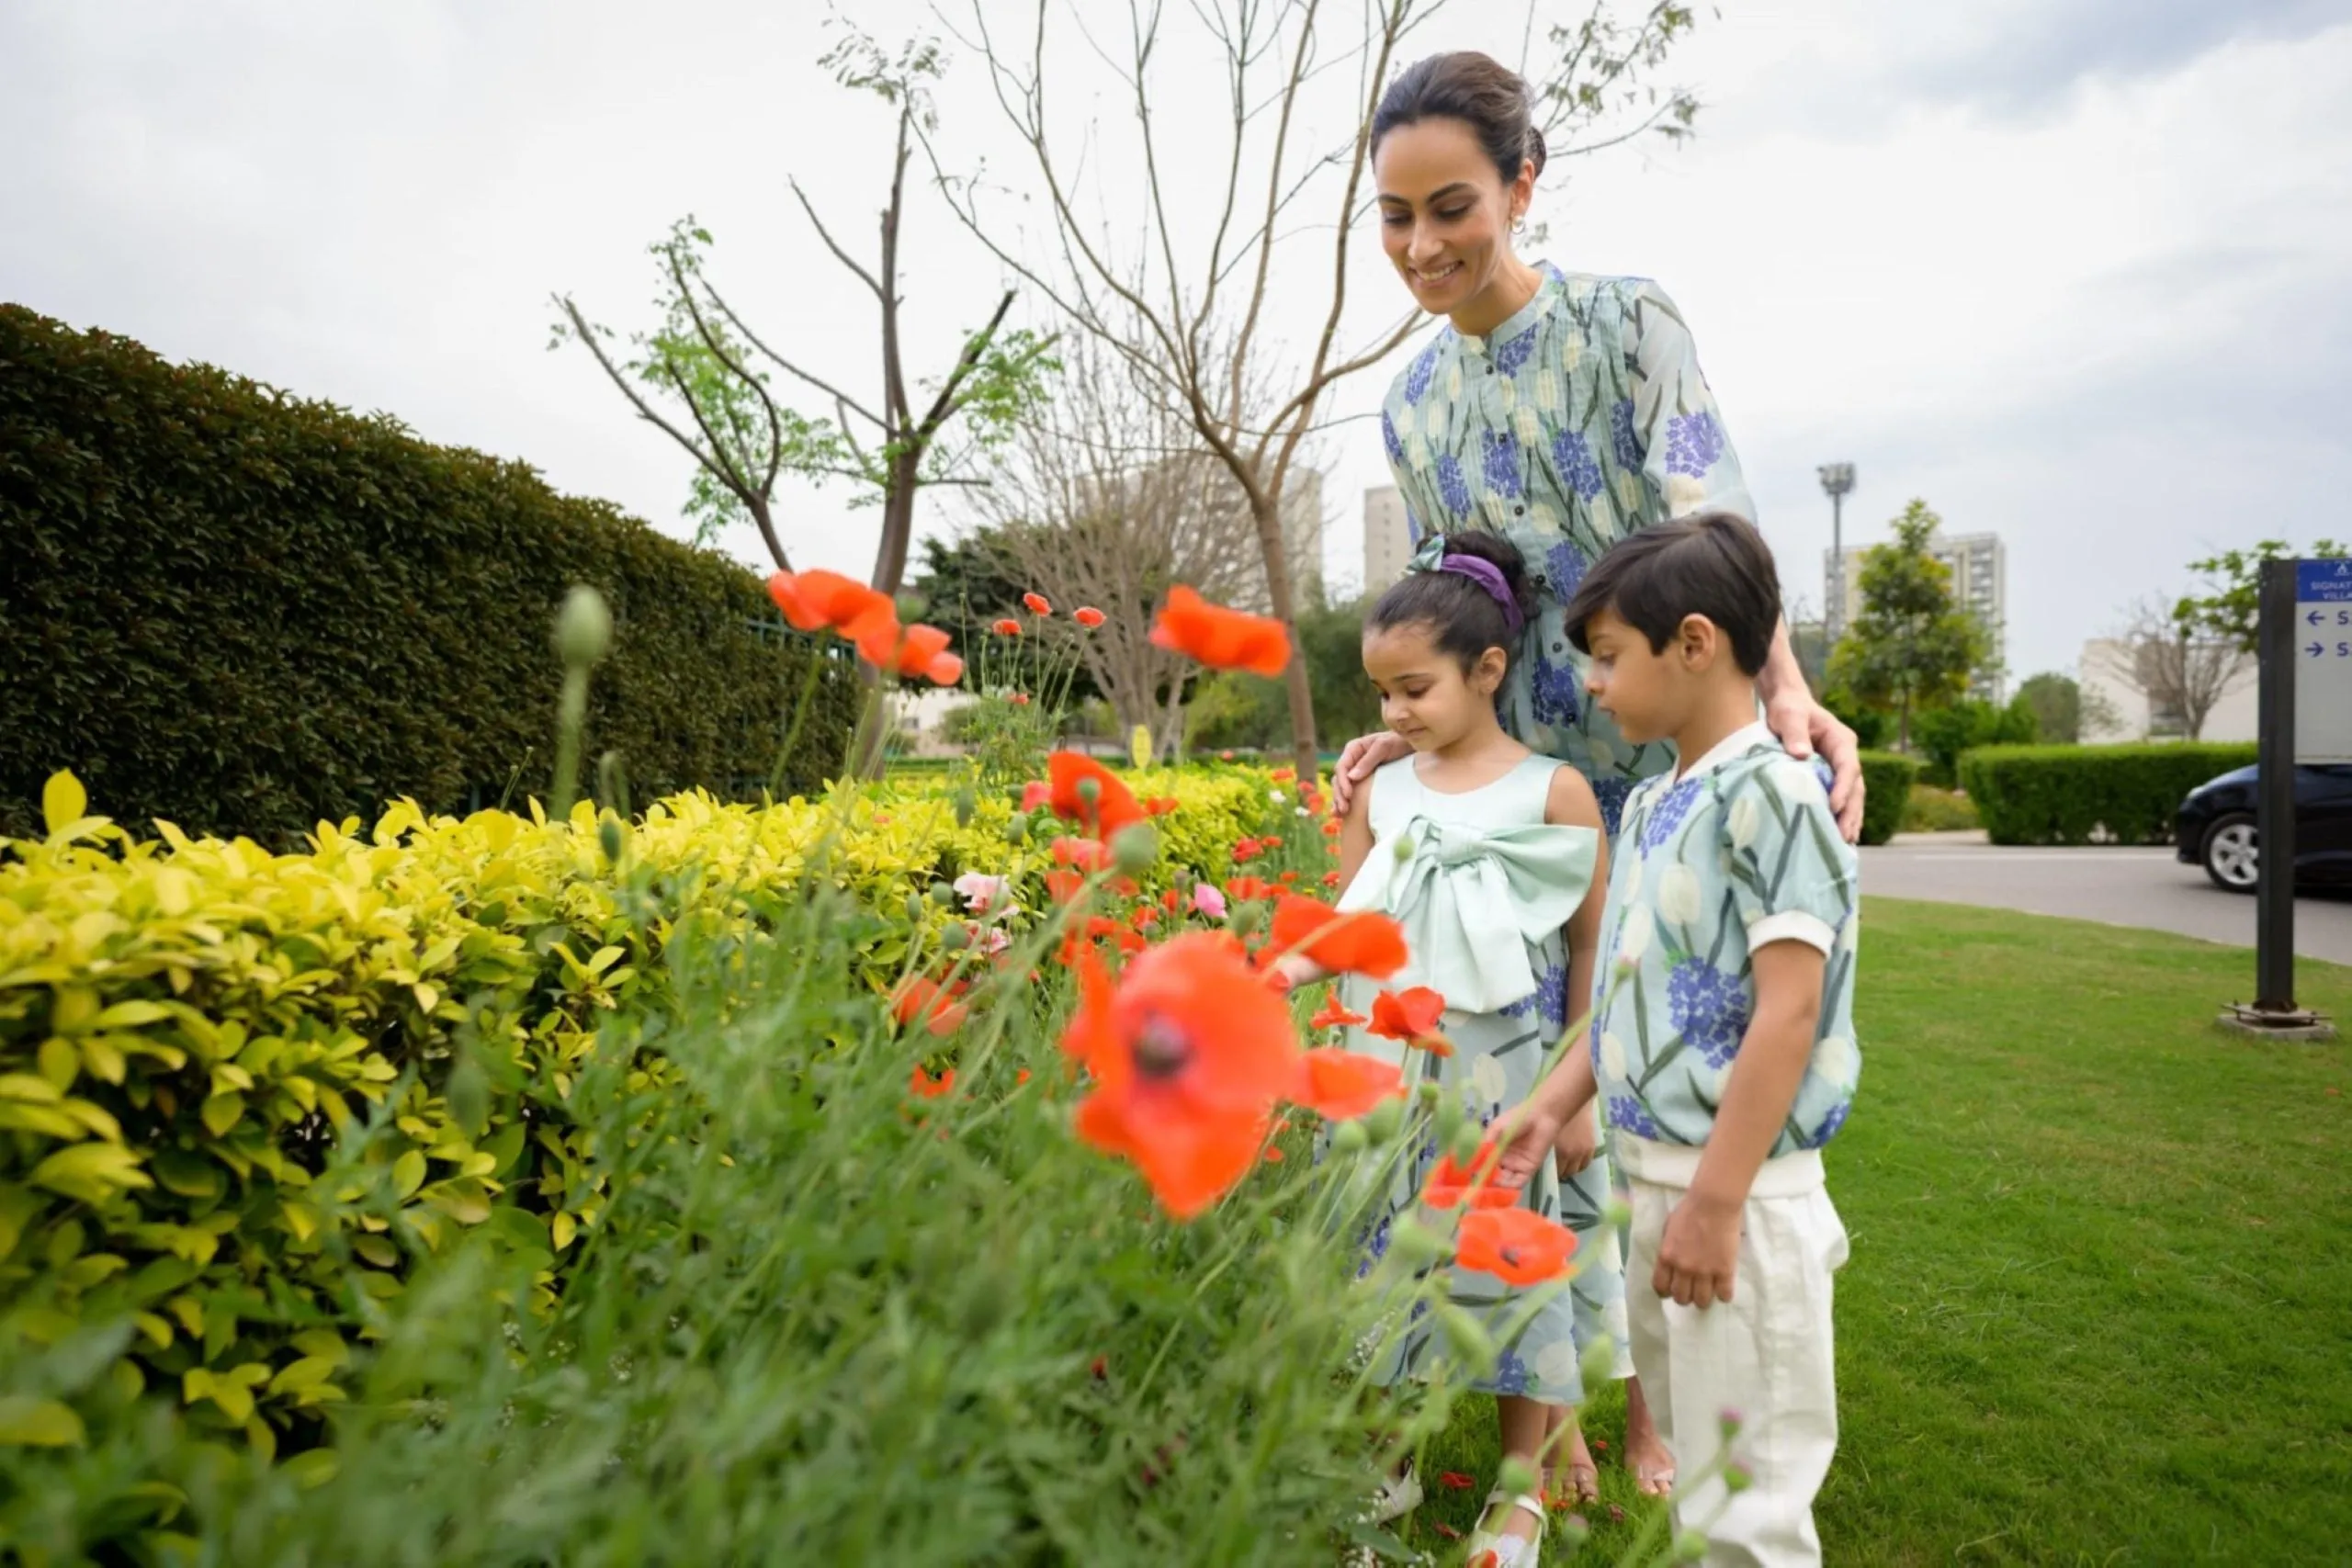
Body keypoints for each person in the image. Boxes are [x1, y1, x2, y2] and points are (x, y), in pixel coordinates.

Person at [1339, 47, 1866, 1499]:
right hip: (1533, 794)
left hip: (1679, 752)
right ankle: (1566, 1390)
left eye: (1452, 206)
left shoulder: (1630, 323)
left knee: (1669, 1079)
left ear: (1521, 186)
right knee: (1546, 1083)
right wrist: (1427, 728)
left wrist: (1787, 694)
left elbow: (1716, 516)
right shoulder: (1414, 404)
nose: (1424, 245)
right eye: (1393, 217)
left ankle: (1650, 1402)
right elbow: (1473, 595)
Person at [1496, 512, 1861, 1568]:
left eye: (1608, 657)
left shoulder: (1775, 797)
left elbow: (1787, 1014)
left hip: (1736, 1202)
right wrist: (1544, 1114)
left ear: (1693, 643)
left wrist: (1715, 1202)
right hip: (1654, 1190)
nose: (1595, 685)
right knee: (1704, 1489)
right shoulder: (1656, 800)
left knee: (1749, 1511)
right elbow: (1616, 998)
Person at [1275, 531, 1614, 1566]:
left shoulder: (1554, 792)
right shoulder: (1379, 791)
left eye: (1412, 688)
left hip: (1505, 1085)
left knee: (1508, 1265)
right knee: (1381, 1265)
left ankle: (1521, 1494)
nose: (1392, 715)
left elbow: (1591, 945)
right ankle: (1382, 1458)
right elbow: (1351, 924)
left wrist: (1576, 1096)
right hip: (1387, 1080)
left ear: (1488, 670)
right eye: (1380, 695)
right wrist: (1288, 984)